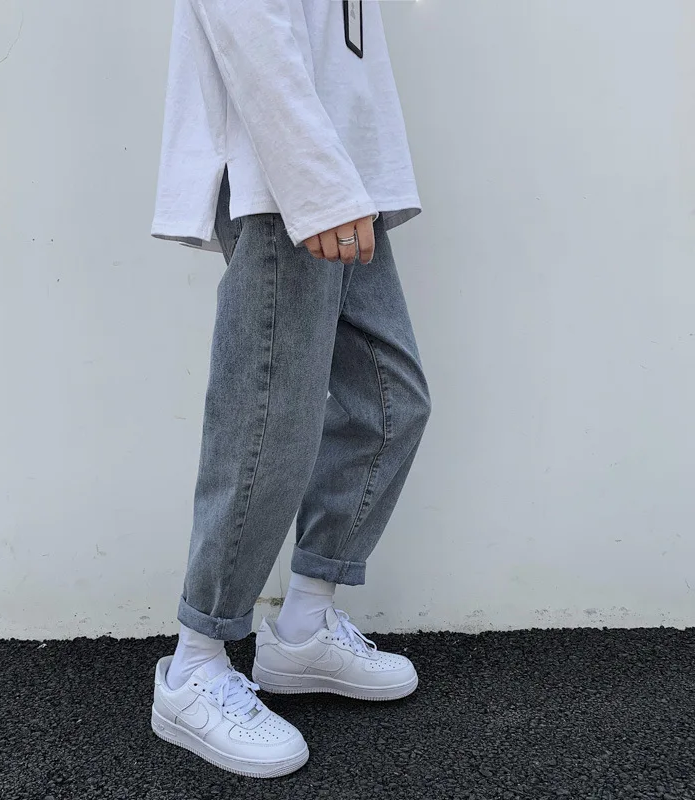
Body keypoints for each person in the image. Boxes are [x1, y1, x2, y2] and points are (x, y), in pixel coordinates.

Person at [149, 0, 431, 778]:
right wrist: (316, 183)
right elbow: (244, 20)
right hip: (285, 177)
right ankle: (195, 667)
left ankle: (304, 628)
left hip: (342, 173)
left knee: (390, 401)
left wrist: (349, 181)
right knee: (267, 425)